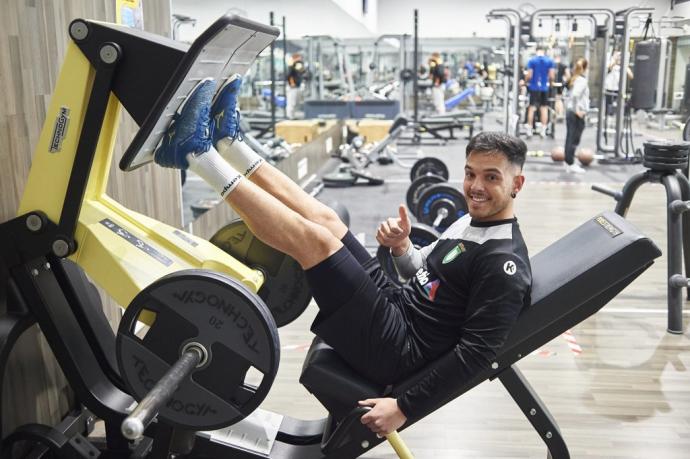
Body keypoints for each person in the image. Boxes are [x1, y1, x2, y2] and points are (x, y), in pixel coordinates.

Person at [153, 75, 532, 436]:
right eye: (470, 174)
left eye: (491, 178)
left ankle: (195, 154)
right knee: (327, 219)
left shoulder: (503, 263)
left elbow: (476, 355)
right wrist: (402, 247)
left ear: (517, 183)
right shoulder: (470, 222)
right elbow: (424, 273)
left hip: (399, 347)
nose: (475, 187)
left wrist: (403, 406)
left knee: (316, 241)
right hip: (396, 306)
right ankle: (229, 143)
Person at [563, 58, 590, 174]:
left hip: (571, 113)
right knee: (573, 139)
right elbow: (574, 96)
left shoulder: (574, 79)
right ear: (585, 68)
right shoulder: (582, 81)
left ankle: (568, 162)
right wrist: (577, 110)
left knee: (570, 138)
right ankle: (570, 163)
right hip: (575, 114)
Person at [525, 46, 555, 137]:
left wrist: (525, 81)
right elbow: (552, 76)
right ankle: (543, 130)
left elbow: (529, 75)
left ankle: (529, 130)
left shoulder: (532, 60)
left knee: (532, 108)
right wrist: (550, 83)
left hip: (534, 87)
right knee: (544, 108)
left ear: (536, 51)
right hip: (544, 88)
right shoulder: (549, 61)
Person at [604, 51, 634, 116]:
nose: (619, 58)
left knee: (618, 106)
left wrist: (625, 65)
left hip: (618, 89)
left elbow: (631, 76)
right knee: (608, 107)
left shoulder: (622, 66)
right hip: (609, 88)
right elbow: (609, 68)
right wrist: (615, 59)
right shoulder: (610, 62)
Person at [286, 53, 306, 119]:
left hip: (297, 86)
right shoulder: (291, 65)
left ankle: (293, 116)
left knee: (296, 102)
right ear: (295, 58)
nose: (300, 59)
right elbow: (289, 75)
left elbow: (302, 71)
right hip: (292, 87)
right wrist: (292, 83)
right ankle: (289, 116)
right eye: (298, 58)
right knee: (291, 102)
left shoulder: (297, 65)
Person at [553, 55, 571, 119]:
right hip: (560, 84)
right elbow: (568, 75)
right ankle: (559, 113)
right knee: (559, 98)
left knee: (556, 99)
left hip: (553, 83)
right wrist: (565, 81)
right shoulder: (563, 66)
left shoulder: (552, 65)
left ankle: (557, 112)